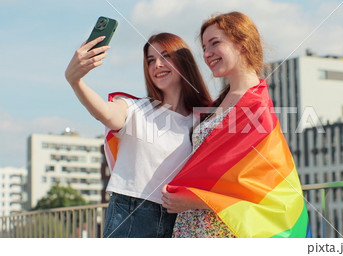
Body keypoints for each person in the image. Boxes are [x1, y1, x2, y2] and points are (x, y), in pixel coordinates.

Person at [162, 12, 311, 238]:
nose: (207, 54)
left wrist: (194, 199)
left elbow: (255, 186)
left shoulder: (255, 105)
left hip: (227, 229)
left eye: (215, 43)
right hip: (198, 224)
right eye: (204, 47)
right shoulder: (221, 102)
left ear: (242, 44)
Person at [65, 32, 212, 237]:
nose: (157, 65)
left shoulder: (204, 120)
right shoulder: (134, 109)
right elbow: (105, 113)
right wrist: (76, 81)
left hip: (182, 219)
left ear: (184, 62)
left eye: (165, 56)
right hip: (131, 216)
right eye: (151, 60)